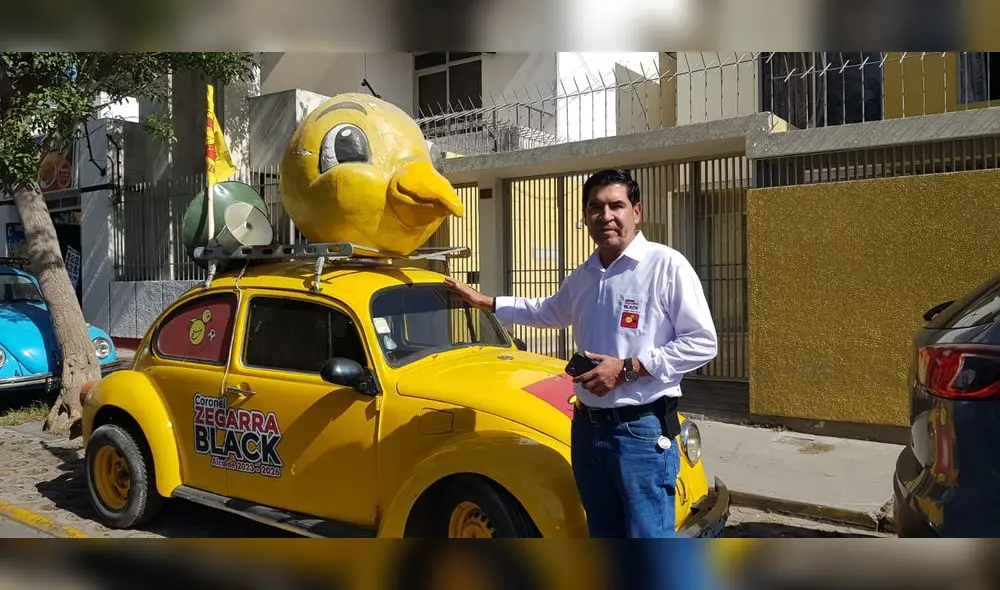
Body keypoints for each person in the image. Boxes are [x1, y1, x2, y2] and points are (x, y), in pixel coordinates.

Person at [443, 168, 718, 538]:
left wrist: (627, 368)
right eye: (595, 208)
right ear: (586, 215)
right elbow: (547, 311)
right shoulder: (585, 274)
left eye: (616, 205)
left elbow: (702, 342)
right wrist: (488, 302)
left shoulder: (665, 266)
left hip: (640, 432)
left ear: (636, 210)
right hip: (587, 429)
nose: (606, 216)